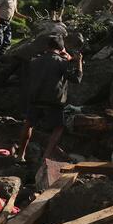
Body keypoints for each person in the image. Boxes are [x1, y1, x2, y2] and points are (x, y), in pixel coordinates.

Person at [15, 35, 82, 163]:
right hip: (54, 101)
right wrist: (78, 62)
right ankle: (45, 157)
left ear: (47, 46)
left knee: (29, 124)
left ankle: (20, 155)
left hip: (35, 98)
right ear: (61, 48)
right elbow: (77, 79)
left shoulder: (35, 61)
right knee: (58, 128)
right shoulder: (62, 62)